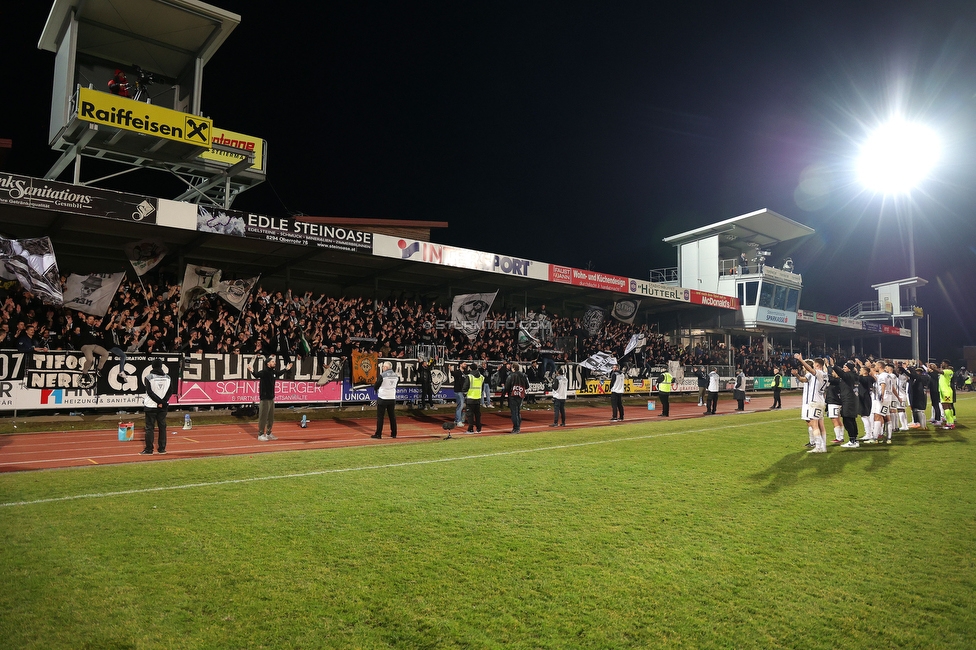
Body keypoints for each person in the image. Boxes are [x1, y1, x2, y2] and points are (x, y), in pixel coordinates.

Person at [246, 355, 293, 441]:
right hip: (264, 398)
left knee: (270, 417)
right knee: (263, 417)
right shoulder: (264, 372)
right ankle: (260, 434)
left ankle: (268, 433)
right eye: (272, 361)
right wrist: (251, 370)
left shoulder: (273, 372)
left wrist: (286, 368)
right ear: (268, 363)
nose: (274, 362)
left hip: (271, 398)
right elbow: (256, 375)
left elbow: (279, 373)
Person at [794, 354, 827, 453]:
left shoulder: (819, 373)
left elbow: (811, 371)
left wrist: (801, 360)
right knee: (821, 425)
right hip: (820, 401)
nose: (814, 367)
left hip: (814, 402)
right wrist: (797, 375)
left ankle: (818, 446)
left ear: (818, 366)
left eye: (815, 365)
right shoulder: (825, 374)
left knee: (814, 425)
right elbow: (804, 378)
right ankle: (823, 446)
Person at [140, 359, 174, 455]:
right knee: (162, 427)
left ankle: (149, 449)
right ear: (161, 366)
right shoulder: (168, 377)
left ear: (152, 366)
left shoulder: (149, 377)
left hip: (151, 405)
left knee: (149, 428)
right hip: (163, 407)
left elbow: (150, 392)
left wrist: (159, 402)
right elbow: (170, 391)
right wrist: (163, 402)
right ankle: (162, 448)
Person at [372, 361, 399, 439]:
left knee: (380, 417)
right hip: (392, 397)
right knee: (392, 416)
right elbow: (396, 385)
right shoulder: (396, 376)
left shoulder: (382, 375)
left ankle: (378, 434)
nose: (382, 367)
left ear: (386, 367)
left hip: (383, 397)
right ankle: (394, 433)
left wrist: (376, 389)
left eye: (383, 366)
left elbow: (377, 385)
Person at [505, 362, 529, 433]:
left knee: (514, 412)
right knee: (518, 411)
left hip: (513, 395)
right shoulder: (524, 375)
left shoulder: (511, 376)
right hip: (521, 395)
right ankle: (518, 426)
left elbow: (507, 387)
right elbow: (527, 386)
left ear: (513, 368)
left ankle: (516, 428)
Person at [462, 364, 485, 433]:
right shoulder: (481, 377)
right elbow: (482, 388)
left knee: (470, 415)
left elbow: (465, 387)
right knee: (477, 414)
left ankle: (470, 429)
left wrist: (464, 394)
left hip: (470, 398)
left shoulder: (470, 377)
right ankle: (478, 428)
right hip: (478, 398)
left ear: (470, 369)